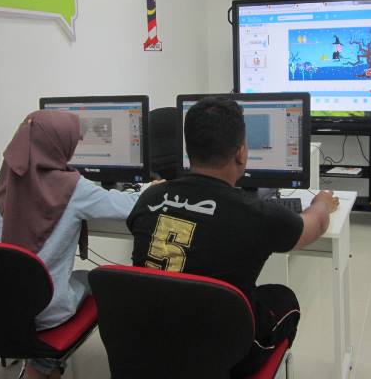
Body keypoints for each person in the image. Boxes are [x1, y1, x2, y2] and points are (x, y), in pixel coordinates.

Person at [127, 97, 339, 376]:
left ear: (188, 150)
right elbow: (314, 225)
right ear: (241, 153)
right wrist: (322, 202)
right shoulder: (257, 214)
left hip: (150, 342)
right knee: (284, 298)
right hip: (223, 352)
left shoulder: (150, 198)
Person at [0, 110, 143, 379]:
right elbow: (127, 207)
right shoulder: (72, 188)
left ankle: (43, 365)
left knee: (60, 281)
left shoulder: (8, 181)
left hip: (1, 309)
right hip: (46, 311)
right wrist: (154, 190)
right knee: (101, 281)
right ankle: (44, 363)